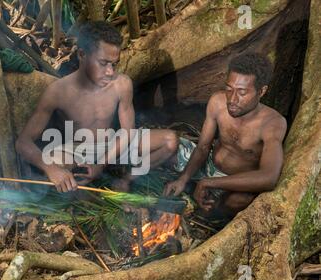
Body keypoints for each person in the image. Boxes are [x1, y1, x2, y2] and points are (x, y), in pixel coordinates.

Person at [16, 21, 177, 193]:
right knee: (56, 162)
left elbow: (127, 132)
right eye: (103, 63)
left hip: (114, 145)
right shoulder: (58, 92)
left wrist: (101, 162)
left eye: (114, 64)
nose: (110, 72)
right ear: (82, 55)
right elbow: (23, 142)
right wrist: (51, 169)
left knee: (170, 141)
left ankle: (124, 180)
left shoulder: (121, 84)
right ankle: (80, 186)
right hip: (78, 151)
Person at [163, 52, 287, 218]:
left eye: (242, 93)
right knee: (163, 146)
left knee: (240, 201)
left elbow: (269, 177)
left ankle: (209, 216)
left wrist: (210, 183)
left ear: (262, 91)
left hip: (235, 183)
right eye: (229, 89)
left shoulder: (272, 123)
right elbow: (203, 147)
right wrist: (183, 178)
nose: (232, 99)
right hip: (208, 166)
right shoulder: (218, 102)